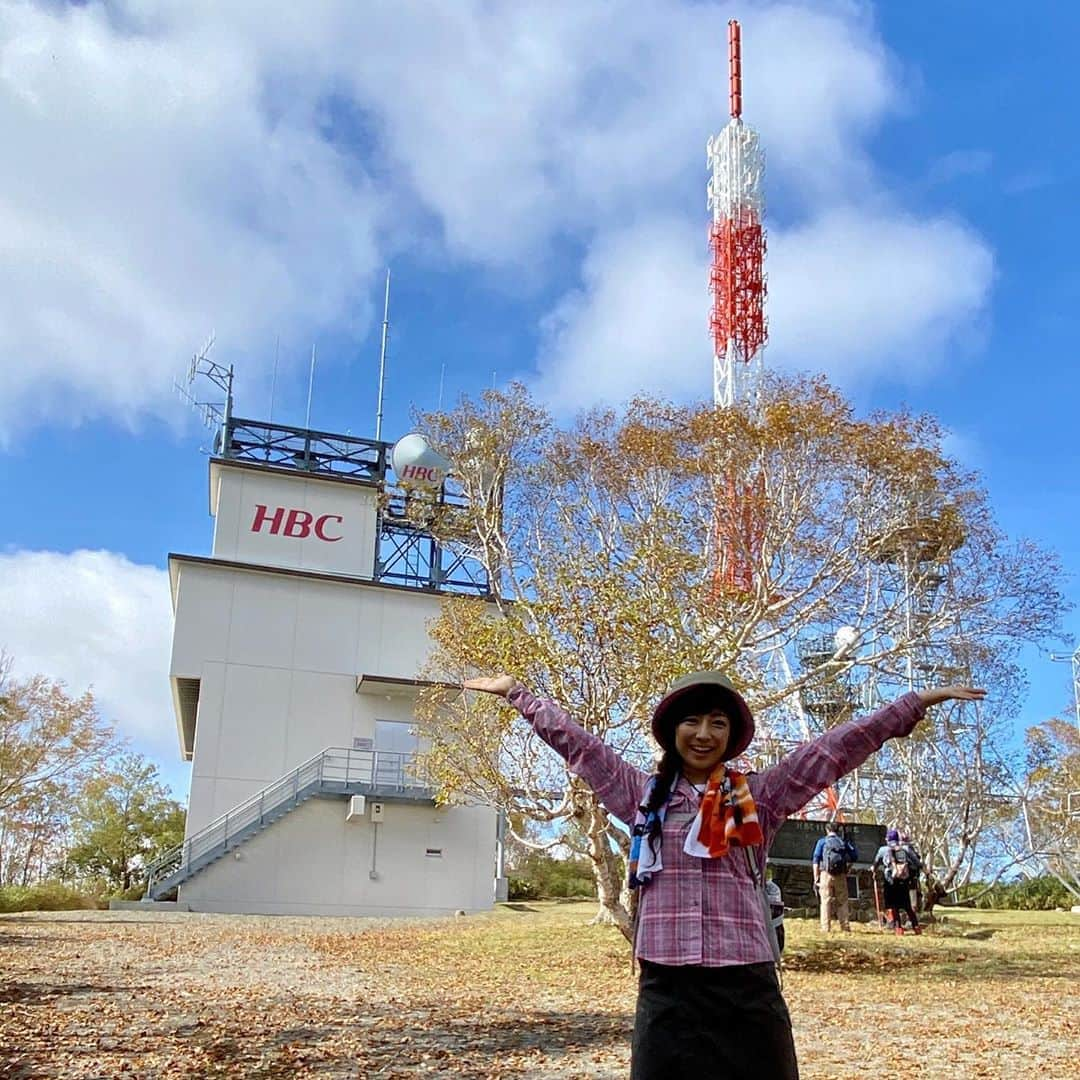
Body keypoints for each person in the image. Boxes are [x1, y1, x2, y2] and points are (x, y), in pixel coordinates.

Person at [463, 670, 985, 1079]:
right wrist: (518, 695)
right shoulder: (642, 796)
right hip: (667, 987)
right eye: (692, 721)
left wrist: (913, 704)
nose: (704, 733)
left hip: (745, 985)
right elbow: (581, 747)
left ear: (732, 733)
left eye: (718, 721)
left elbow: (832, 752)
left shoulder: (760, 795)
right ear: (672, 731)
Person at [812, 822, 858, 932]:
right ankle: (845, 926)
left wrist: (816, 877)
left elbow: (816, 860)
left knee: (825, 901)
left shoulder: (822, 842)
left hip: (825, 874)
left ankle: (825, 928)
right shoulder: (843, 842)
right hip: (840, 874)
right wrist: (848, 868)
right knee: (842, 901)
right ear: (838, 830)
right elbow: (854, 856)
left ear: (827, 830)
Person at [874, 828, 921, 934]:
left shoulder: (883, 850)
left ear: (887, 839)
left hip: (890, 880)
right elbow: (917, 863)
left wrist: (874, 870)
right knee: (907, 905)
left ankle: (898, 928)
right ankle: (916, 927)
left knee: (893, 905)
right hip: (904, 880)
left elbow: (876, 862)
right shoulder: (905, 849)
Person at [899, 831, 923, 917]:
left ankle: (903, 915)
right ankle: (913, 915)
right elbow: (916, 861)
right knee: (912, 895)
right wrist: (922, 866)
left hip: (898, 876)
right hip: (911, 875)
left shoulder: (895, 849)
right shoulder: (907, 848)